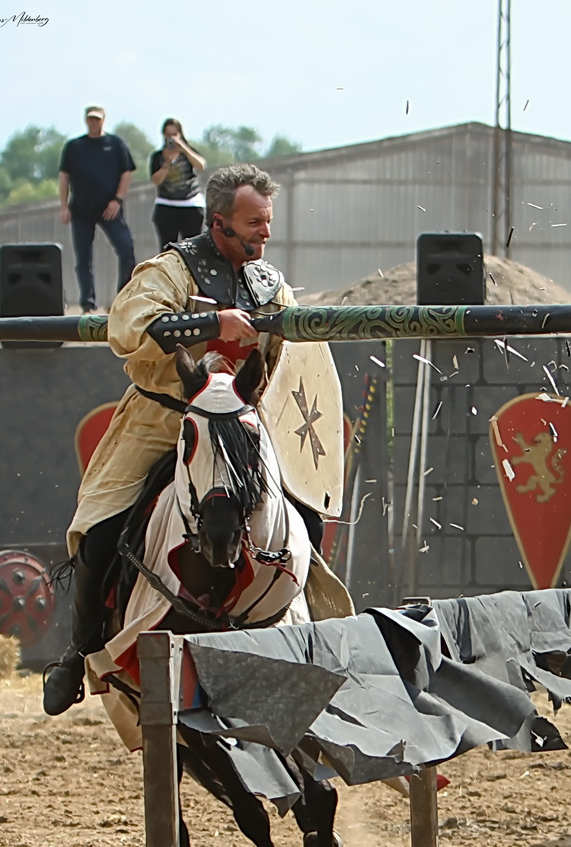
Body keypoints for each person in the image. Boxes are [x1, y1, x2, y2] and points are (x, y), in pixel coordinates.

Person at [42, 162, 351, 715]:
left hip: (240, 429)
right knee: (99, 532)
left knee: (301, 520)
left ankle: (310, 640)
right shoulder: (171, 270)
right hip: (164, 419)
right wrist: (213, 325)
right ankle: (79, 652)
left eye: (268, 221)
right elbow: (128, 326)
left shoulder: (271, 285)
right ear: (219, 223)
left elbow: (297, 363)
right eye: (255, 222)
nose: (265, 233)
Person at [58, 105, 136, 313]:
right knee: (83, 259)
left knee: (126, 249)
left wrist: (117, 200)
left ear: (104, 120)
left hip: (109, 206)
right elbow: (64, 176)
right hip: (81, 209)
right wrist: (64, 206)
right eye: (91, 119)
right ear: (86, 120)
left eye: (98, 119)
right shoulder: (74, 146)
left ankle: (123, 298)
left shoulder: (115, 144)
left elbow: (127, 172)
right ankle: (88, 303)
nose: (94, 123)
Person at [148, 118, 207, 250]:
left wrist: (184, 148)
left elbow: (201, 165)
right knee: (167, 249)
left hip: (190, 203)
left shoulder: (188, 152)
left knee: (192, 248)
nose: (172, 138)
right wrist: (166, 164)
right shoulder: (158, 156)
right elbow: (156, 180)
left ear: (180, 134)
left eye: (174, 134)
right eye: (168, 135)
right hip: (166, 204)